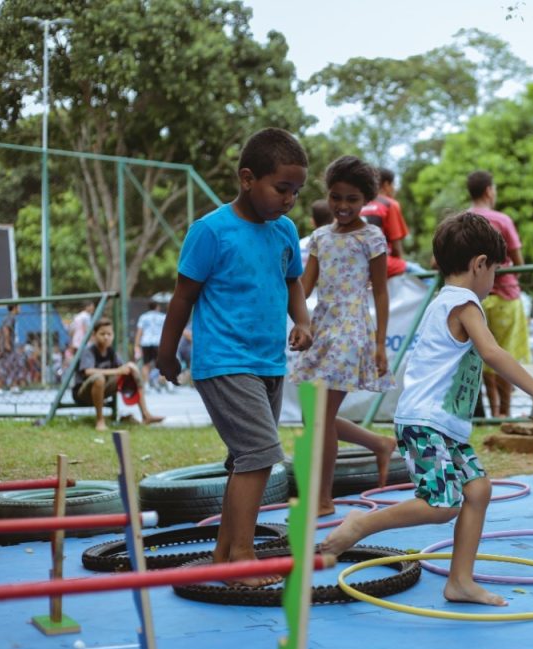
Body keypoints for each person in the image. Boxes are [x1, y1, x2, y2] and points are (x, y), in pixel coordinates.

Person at [320, 211, 533, 605]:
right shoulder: (464, 302)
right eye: (495, 273)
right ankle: (360, 525)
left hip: (442, 426)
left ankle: (460, 581)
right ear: (480, 264)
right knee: (442, 505)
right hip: (425, 423)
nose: (494, 284)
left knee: (478, 489)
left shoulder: (445, 299)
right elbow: (492, 352)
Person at [156, 127, 313, 585]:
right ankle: (242, 555)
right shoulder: (211, 231)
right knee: (261, 454)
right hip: (224, 361)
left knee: (246, 458)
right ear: (247, 178)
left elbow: (292, 283)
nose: (289, 200)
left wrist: (301, 322)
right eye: (281, 188)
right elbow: (183, 297)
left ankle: (225, 552)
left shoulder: (284, 231)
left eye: (297, 192)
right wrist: (167, 355)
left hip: (268, 362)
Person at [293, 155, 397, 517]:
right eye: (336, 197)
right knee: (315, 414)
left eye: (352, 199)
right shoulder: (320, 237)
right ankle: (379, 443)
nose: (343, 206)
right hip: (323, 327)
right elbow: (305, 287)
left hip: (351, 330)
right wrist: (300, 322)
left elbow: (381, 292)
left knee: (319, 415)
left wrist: (380, 342)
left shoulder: (371, 237)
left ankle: (322, 498)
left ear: (366, 199)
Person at [467, 170, 529, 418]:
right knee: (505, 354)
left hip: (474, 299)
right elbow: (519, 261)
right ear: (489, 191)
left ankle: (494, 413)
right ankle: (504, 411)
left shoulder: (461, 220)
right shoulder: (501, 220)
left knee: (485, 356)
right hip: (505, 296)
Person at [73, 317, 163, 431]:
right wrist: (117, 371)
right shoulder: (89, 351)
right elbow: (88, 371)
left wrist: (130, 366)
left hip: (103, 389)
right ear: (94, 335)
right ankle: (100, 421)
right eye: (102, 334)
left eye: (109, 334)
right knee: (98, 378)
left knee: (132, 372)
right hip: (83, 394)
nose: (106, 337)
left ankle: (146, 415)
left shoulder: (110, 351)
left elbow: (122, 368)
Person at [361, 167, 410, 278]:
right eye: (393, 185)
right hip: (383, 264)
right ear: (386, 185)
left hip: (356, 264)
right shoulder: (389, 204)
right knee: (427, 278)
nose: (394, 189)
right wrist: (400, 266)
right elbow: (396, 245)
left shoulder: (359, 204)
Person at [134, 300, 166, 389]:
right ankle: (160, 380)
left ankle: (147, 384)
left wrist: (136, 345)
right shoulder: (163, 317)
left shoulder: (143, 317)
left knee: (146, 364)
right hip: (158, 342)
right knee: (161, 364)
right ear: (157, 307)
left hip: (146, 342)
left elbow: (139, 332)